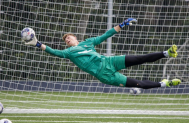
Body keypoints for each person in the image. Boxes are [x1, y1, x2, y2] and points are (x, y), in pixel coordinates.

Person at [22, 18, 181, 89]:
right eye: (66, 41)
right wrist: (38, 44)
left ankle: (167, 53)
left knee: (138, 58)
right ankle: (163, 84)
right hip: (104, 74)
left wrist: (121, 25)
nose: (67, 41)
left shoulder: (88, 42)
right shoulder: (69, 52)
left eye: (69, 38)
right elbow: (55, 52)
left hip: (109, 61)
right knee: (137, 83)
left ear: (75, 37)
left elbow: (105, 35)